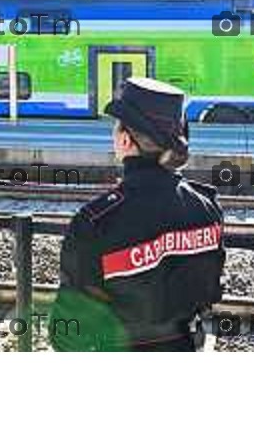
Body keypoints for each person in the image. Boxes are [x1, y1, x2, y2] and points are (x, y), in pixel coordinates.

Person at [49, 77, 225, 352]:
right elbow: (209, 291)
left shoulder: (95, 221)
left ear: (125, 140)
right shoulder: (206, 207)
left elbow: (66, 332)